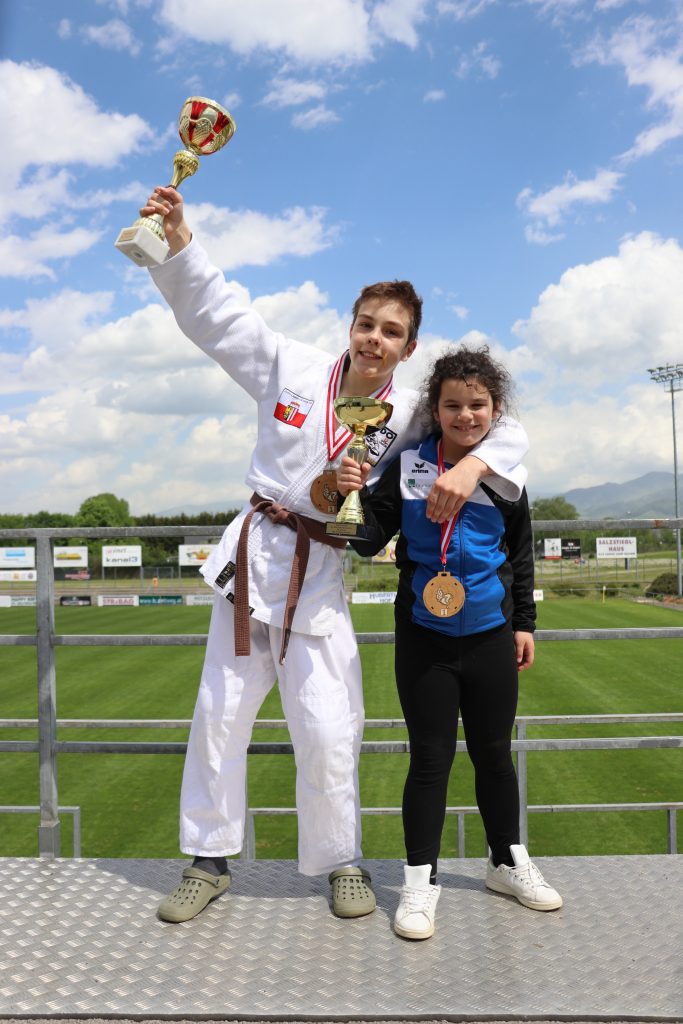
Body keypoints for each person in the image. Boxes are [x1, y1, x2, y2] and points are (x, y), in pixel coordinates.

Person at [141, 186, 530, 924]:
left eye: (390, 331)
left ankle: (338, 862)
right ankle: (208, 858)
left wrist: (471, 467)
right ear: (349, 327)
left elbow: (504, 431)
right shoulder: (287, 367)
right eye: (364, 324)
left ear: (409, 347)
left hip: (321, 574)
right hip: (252, 569)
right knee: (219, 716)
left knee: (328, 727)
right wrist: (181, 240)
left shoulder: (414, 409)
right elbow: (216, 315)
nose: (373, 338)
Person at [337, 345, 562, 941]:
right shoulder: (408, 464)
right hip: (425, 636)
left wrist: (524, 624)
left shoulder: (507, 476)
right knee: (430, 760)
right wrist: (348, 495)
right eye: (453, 405)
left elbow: (520, 554)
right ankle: (419, 882)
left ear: (495, 410)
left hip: (490, 636)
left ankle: (506, 863)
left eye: (478, 405)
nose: (466, 416)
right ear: (435, 410)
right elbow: (364, 541)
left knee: (494, 756)